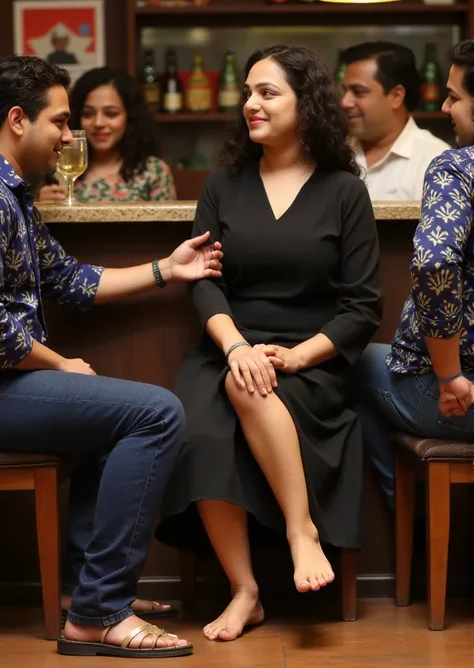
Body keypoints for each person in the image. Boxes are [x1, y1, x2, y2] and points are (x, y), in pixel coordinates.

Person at [155, 45, 382, 642]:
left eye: (267, 92)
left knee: (249, 384)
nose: (250, 103)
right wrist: (235, 347)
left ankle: (301, 530)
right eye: (248, 92)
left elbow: (362, 308)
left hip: (312, 358)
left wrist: (299, 354)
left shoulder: (343, 191)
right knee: (201, 423)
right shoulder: (223, 184)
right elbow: (203, 283)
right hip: (226, 345)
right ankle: (246, 589)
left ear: (307, 105)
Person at [0, 54, 223, 658]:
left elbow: (72, 280)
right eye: (62, 121)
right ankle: (100, 613)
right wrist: (60, 365)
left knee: (120, 416)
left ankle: (82, 589)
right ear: (18, 119)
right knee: (156, 413)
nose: (71, 136)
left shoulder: (13, 196)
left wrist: (166, 269)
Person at [355, 39, 474, 505]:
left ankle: (406, 519)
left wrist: (449, 377)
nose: (444, 107)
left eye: (454, 96)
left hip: (461, 399)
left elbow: (435, 260)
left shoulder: (457, 168)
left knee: (352, 360)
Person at [37, 66, 175, 203]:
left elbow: (169, 223)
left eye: (111, 114)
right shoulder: (62, 166)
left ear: (130, 119)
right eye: (88, 114)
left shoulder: (153, 172)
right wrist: (42, 209)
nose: (98, 123)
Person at [341, 41, 449, 201]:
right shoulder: (334, 152)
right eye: (345, 91)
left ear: (396, 96)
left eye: (358, 92)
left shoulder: (435, 159)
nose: (345, 102)